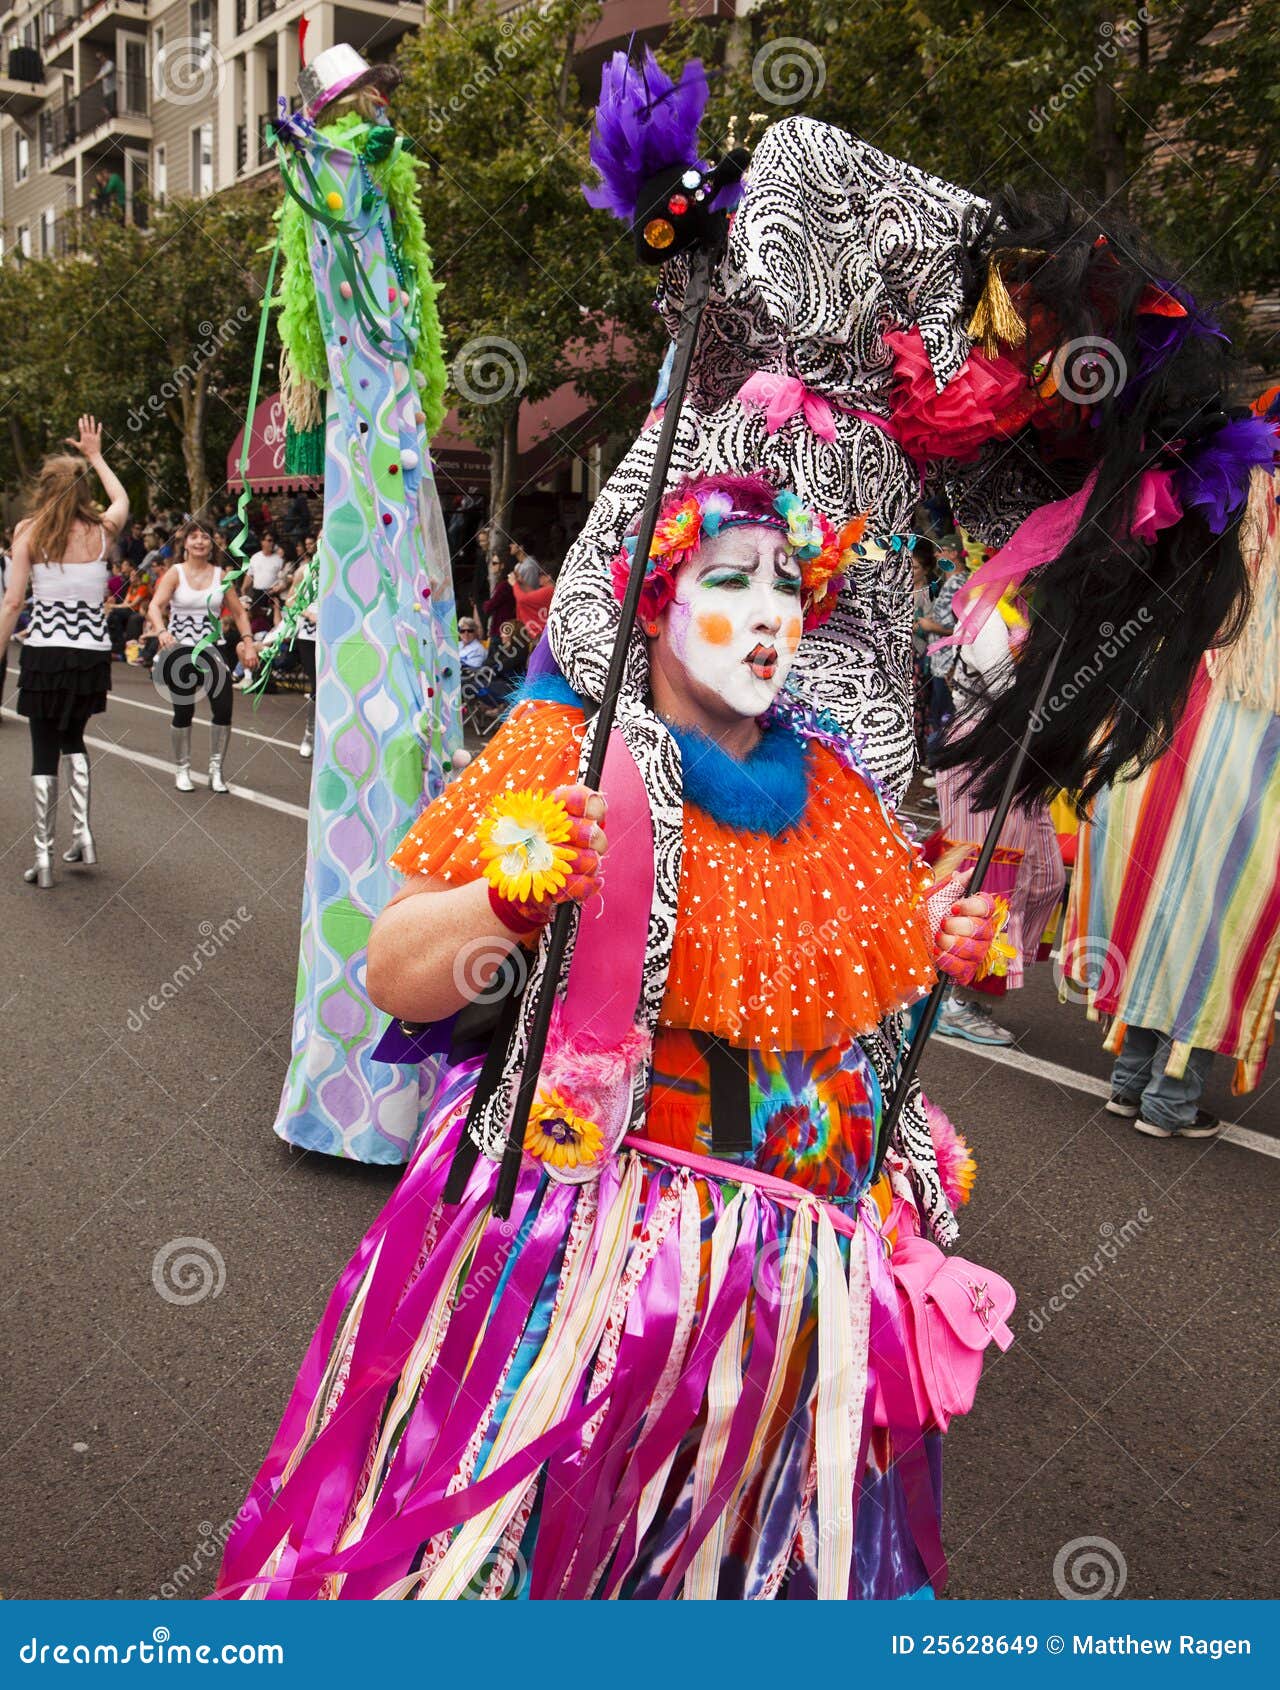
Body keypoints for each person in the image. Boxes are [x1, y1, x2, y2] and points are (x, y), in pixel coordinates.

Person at [216, 473, 1010, 1601]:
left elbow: (862, 1007)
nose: (769, 610)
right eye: (727, 578)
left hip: (792, 1289)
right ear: (654, 600)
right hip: (595, 1263)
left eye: (790, 584)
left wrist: (934, 941)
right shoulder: (571, 750)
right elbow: (397, 973)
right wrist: (505, 901)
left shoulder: (837, 787)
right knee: (544, 1560)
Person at [1063, 454, 1280, 1137]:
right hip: (1245, 755)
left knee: (1158, 905)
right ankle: (1169, 1100)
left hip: (1162, 736)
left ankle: (1130, 1084)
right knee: (1212, 917)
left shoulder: (1209, 503)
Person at [931, 593, 1065, 1047]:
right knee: (988, 880)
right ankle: (953, 997)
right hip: (980, 754)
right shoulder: (988, 611)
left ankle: (982, 974)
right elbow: (1008, 693)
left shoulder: (1037, 615)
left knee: (1046, 876)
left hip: (1020, 757)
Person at [0, 415, 129, 886]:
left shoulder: (28, 533)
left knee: (42, 752)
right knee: (75, 742)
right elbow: (121, 498)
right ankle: (83, 836)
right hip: (91, 653)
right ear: (79, 491)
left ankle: (45, 858)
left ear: (43, 489)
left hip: (45, 653)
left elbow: (13, 602)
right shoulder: (102, 532)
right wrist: (95, 456)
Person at [145, 520, 257, 792]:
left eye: (205, 537)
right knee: (184, 711)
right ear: (185, 543)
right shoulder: (175, 573)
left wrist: (249, 643)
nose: (199, 542)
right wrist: (161, 631)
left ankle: (216, 771)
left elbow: (240, 613)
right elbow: (155, 606)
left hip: (212, 649)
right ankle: (182, 768)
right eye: (193, 537)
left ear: (212, 543)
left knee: (223, 709)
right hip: (179, 649)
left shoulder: (221, 575)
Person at [509, 553, 555, 644]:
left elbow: (523, 600)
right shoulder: (551, 590)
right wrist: (522, 582)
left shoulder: (549, 590)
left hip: (540, 634)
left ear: (549, 576)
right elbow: (532, 595)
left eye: (540, 574)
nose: (538, 577)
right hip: (543, 633)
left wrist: (514, 584)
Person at [245, 531, 284, 619]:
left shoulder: (279, 558)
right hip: (257, 594)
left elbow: (283, 578)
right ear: (262, 542)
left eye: (273, 541)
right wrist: (244, 590)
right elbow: (249, 575)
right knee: (257, 620)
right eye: (269, 540)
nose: (272, 543)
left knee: (272, 620)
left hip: (272, 594)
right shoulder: (255, 557)